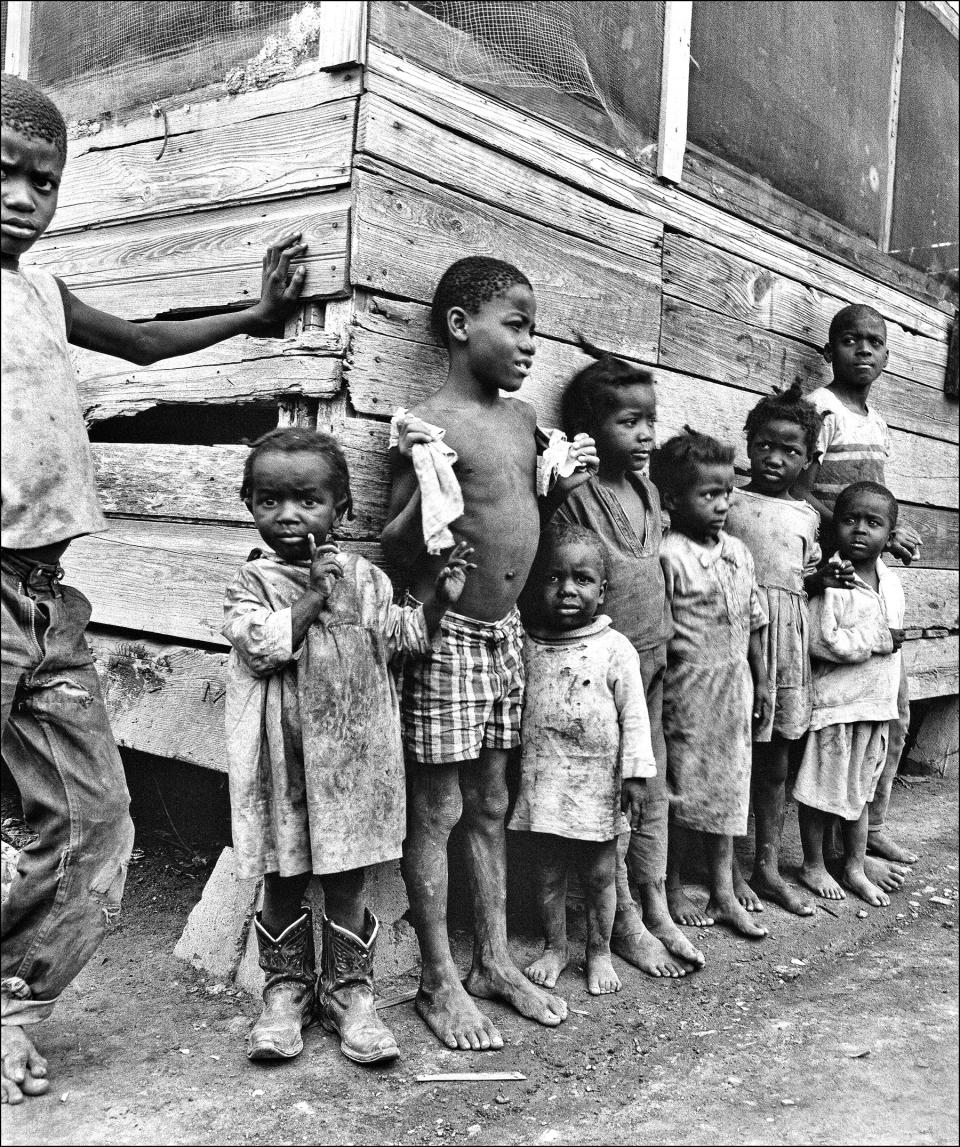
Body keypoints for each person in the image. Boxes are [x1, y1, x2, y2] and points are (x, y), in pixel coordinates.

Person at [1, 73, 308, 1104]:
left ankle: (9, 1003)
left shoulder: (40, 290)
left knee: (95, 823)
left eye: (40, 181)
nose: (19, 196)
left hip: (49, 601)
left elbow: (137, 342)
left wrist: (258, 317)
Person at [381, 256, 597, 1052]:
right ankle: (439, 977)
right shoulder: (430, 423)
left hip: (505, 635)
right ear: (460, 325)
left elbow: (522, 506)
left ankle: (493, 959)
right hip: (449, 636)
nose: (530, 342)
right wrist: (426, 497)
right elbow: (394, 541)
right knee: (437, 808)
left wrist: (560, 487)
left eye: (533, 326)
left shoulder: (518, 418)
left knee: (492, 803)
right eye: (517, 322)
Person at [224, 428, 474, 1065]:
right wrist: (312, 591)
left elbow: (403, 642)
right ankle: (284, 991)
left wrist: (437, 606)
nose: (288, 515)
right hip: (283, 763)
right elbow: (262, 649)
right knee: (284, 875)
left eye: (307, 501)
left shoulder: (367, 580)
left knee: (346, 878)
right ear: (247, 504)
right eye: (269, 501)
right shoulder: (251, 583)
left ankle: (347, 993)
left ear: (342, 511)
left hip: (357, 761)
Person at [550, 339, 704, 977]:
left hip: (655, 661)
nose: (645, 436)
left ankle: (655, 899)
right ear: (590, 429)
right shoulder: (577, 498)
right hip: (602, 676)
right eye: (628, 422)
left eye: (650, 421)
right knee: (610, 795)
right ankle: (621, 923)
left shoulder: (645, 490)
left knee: (653, 787)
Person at [793, 303, 920, 880]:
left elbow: (876, 494)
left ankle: (874, 828)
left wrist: (891, 532)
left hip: (872, 569)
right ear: (829, 350)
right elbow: (802, 485)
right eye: (849, 340)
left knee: (892, 713)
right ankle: (838, 848)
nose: (862, 350)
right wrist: (856, 529)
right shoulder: (821, 409)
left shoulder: (878, 421)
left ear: (888, 355)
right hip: (837, 570)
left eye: (874, 342)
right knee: (840, 722)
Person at [509, 524, 656, 995]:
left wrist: (635, 775)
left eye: (582, 579)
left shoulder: (615, 648)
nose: (568, 589)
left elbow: (635, 717)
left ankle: (599, 950)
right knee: (548, 873)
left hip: (599, 785)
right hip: (544, 783)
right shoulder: (527, 645)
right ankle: (556, 947)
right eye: (554, 578)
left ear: (603, 589)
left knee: (599, 876)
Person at [649, 429, 771, 940]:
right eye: (709, 494)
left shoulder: (738, 551)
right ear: (674, 499)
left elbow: (754, 619)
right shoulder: (669, 556)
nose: (722, 504)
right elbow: (661, 633)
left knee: (730, 783)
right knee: (683, 784)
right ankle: (671, 884)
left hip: (736, 683)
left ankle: (723, 891)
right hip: (689, 688)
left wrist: (763, 681)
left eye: (727, 492)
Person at [724, 384, 823, 917]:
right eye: (765, 445)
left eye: (790, 451)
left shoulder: (808, 517)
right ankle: (727, 868)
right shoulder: (729, 501)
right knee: (730, 753)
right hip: (735, 638)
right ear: (749, 443)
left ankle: (766, 864)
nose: (775, 458)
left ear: (808, 458)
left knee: (775, 762)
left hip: (786, 650)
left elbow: (802, 581)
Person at [792, 482, 905, 908]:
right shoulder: (834, 581)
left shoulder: (890, 582)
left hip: (875, 705)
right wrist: (878, 638)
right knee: (821, 792)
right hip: (837, 706)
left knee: (860, 791)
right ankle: (812, 863)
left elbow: (893, 650)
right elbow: (823, 642)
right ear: (833, 525)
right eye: (849, 520)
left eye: (873, 523)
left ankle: (855, 865)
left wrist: (890, 700)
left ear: (889, 534)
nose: (860, 530)